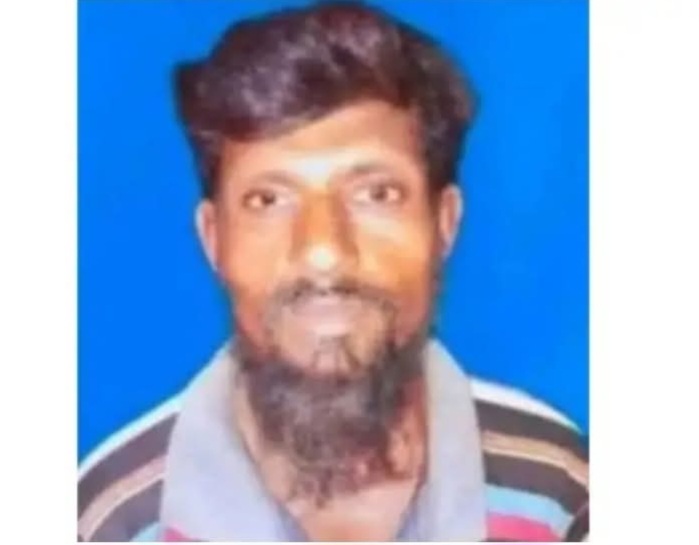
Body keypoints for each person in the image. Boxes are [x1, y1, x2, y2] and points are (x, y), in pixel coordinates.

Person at [77, 1, 588, 541]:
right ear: (213, 239)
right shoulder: (110, 521)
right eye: (268, 200)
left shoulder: (559, 497)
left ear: (444, 223)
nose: (323, 250)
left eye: (377, 194)